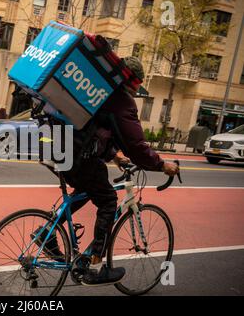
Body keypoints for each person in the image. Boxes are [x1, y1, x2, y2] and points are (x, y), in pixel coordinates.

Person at [34, 56, 179, 286]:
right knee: (109, 200)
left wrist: (114, 156)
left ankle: (47, 231)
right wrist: (161, 165)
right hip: (78, 156)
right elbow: (136, 145)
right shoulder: (121, 100)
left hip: (54, 148)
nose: (138, 88)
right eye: (138, 83)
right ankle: (95, 267)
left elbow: (94, 129)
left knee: (86, 186)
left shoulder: (97, 89)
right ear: (132, 80)